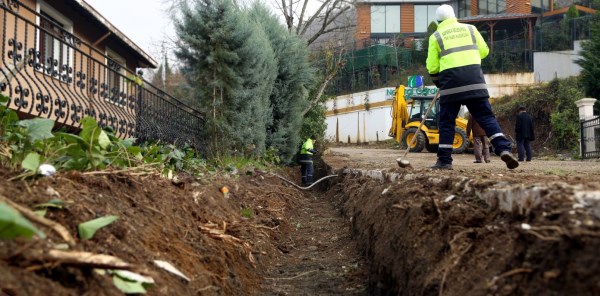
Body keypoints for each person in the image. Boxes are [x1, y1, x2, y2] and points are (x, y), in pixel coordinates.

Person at [426, 4, 518, 170]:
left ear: (438, 20)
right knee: (486, 117)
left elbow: (432, 67)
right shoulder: (471, 29)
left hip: (451, 84)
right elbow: (484, 51)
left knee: (447, 122)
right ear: (454, 16)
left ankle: (444, 161)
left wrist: (439, 82)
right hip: (475, 81)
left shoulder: (436, 36)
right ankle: (503, 148)